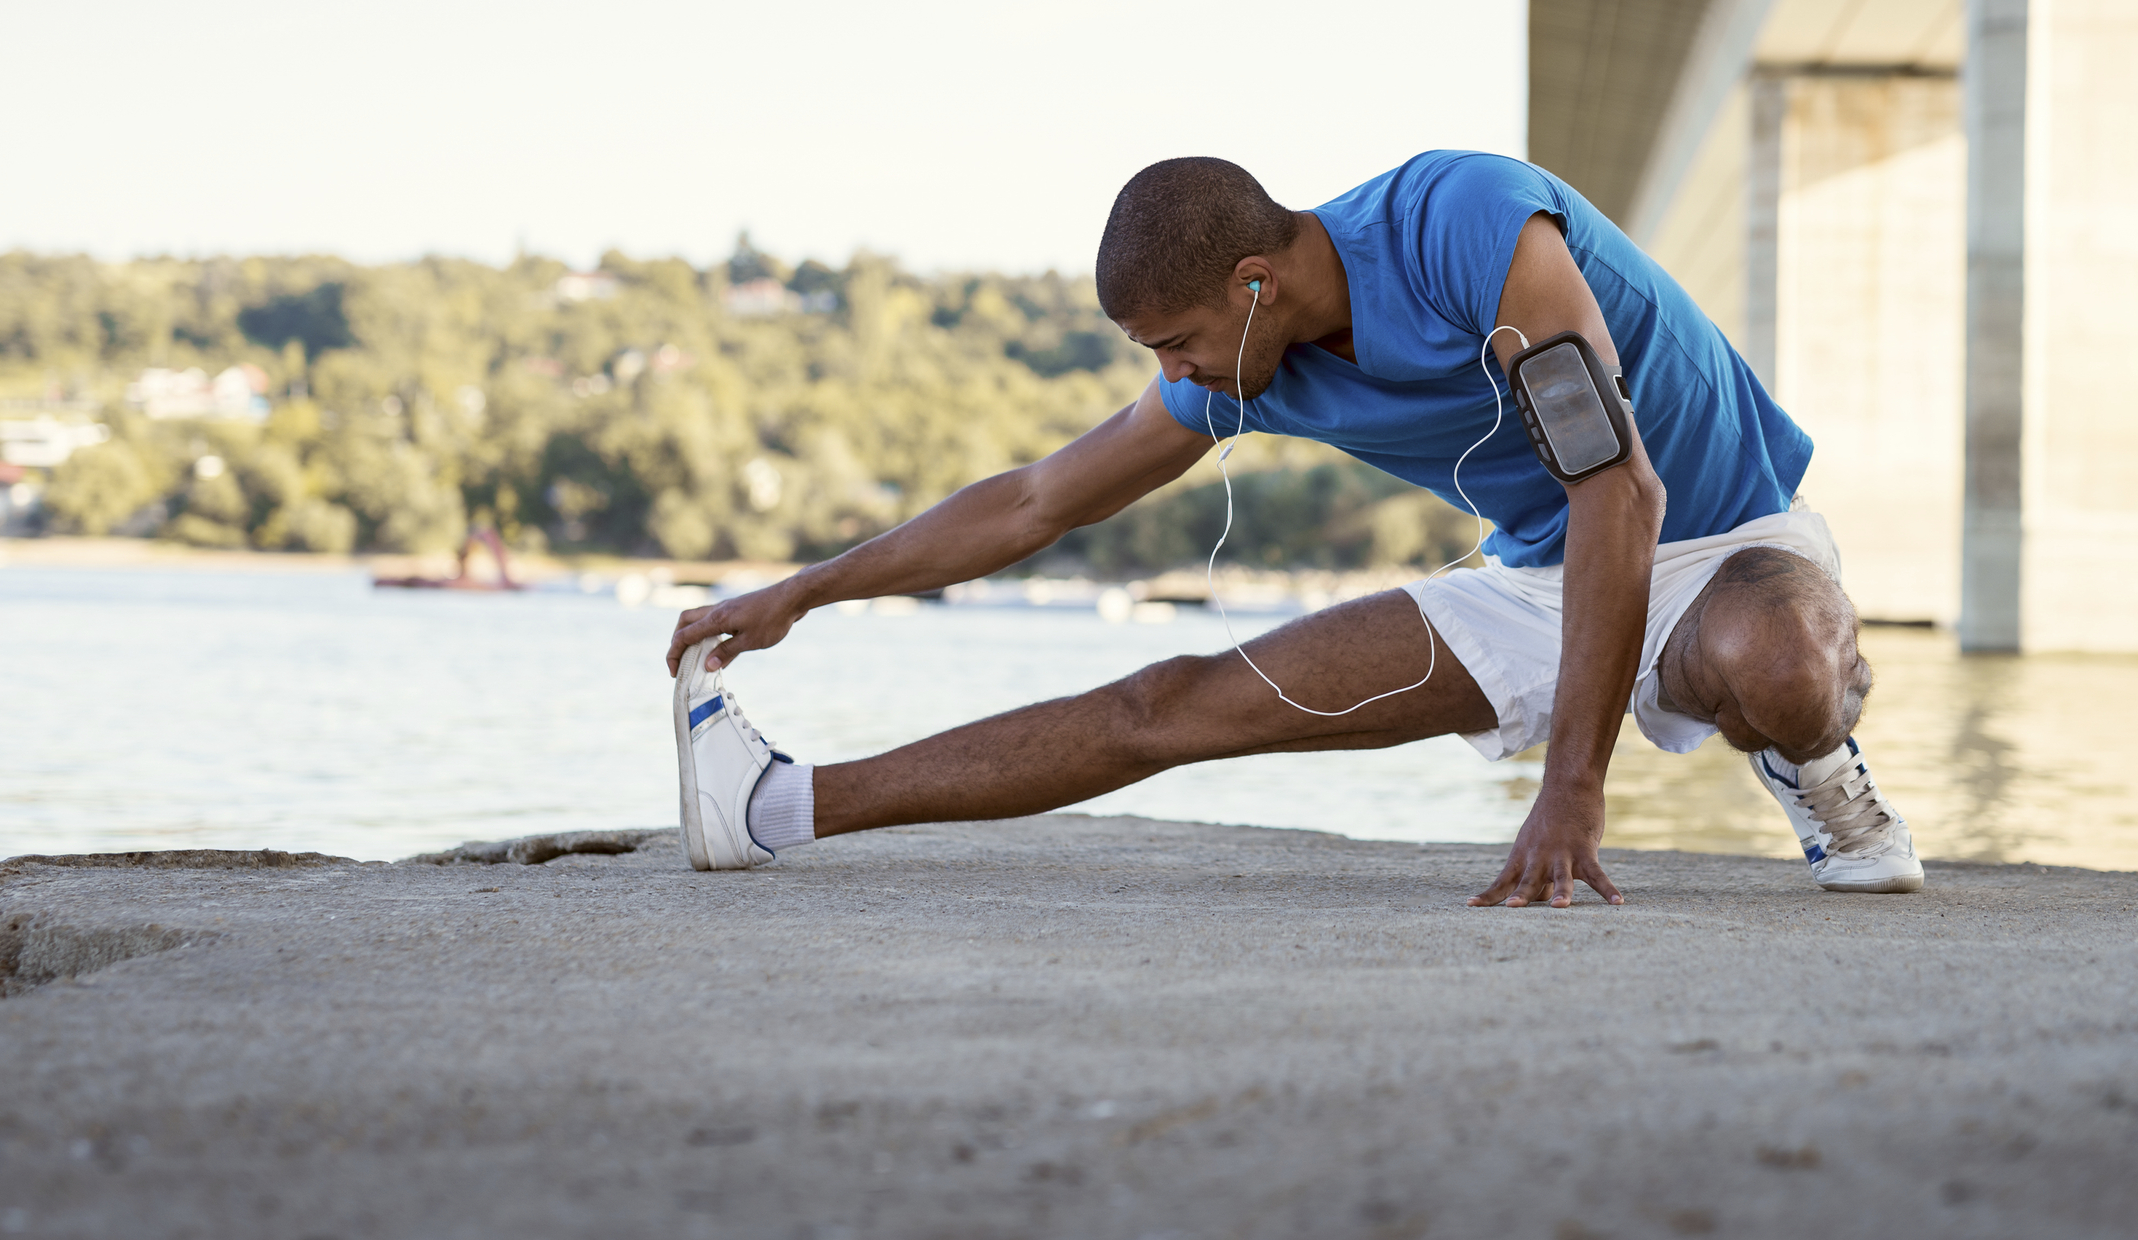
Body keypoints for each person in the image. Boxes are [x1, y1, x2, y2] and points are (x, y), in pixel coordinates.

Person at [665, 151, 1920, 906]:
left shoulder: (1465, 224)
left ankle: (1813, 767)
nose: (1173, 373)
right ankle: (773, 805)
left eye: (1175, 341)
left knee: (1777, 663)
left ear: (1254, 283)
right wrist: (803, 589)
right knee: (1166, 702)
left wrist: (1570, 788)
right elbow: (1038, 498)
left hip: (1723, 542)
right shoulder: (1241, 363)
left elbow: (1620, 490)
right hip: (1539, 578)